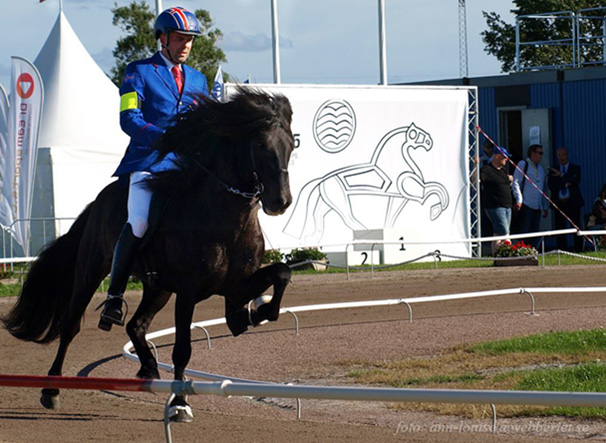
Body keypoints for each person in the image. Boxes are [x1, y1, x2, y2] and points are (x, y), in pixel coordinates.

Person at [99, 7, 209, 330]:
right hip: (148, 161)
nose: (186, 45)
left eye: (189, 39)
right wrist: (163, 138)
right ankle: (115, 296)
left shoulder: (199, 80)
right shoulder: (138, 72)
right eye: (179, 39)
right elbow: (128, 117)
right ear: (162, 39)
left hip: (187, 166)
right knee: (140, 219)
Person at [480, 145, 519, 254]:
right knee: (504, 232)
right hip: (495, 206)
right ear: (497, 156)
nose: (507, 159)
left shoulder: (503, 171)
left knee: (498, 232)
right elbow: (476, 179)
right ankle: (510, 254)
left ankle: (497, 256)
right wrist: (475, 165)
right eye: (505, 157)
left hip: (507, 206)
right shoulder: (486, 169)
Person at [547, 147, 584, 251]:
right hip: (559, 203)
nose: (561, 158)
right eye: (559, 156)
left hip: (572, 202)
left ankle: (578, 249)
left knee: (576, 226)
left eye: (563, 155)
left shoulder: (575, 168)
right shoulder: (553, 170)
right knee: (560, 227)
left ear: (567, 155)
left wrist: (562, 176)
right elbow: (551, 186)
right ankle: (562, 249)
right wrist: (566, 183)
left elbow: (575, 181)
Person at [512, 144, 548, 248]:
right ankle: (521, 252)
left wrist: (544, 206)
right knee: (524, 231)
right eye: (539, 153)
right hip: (526, 204)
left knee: (535, 232)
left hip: (537, 206)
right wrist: (519, 199)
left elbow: (543, 188)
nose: (541, 155)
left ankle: (532, 252)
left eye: (542, 153)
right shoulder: (523, 164)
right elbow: (516, 182)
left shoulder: (541, 169)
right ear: (532, 153)